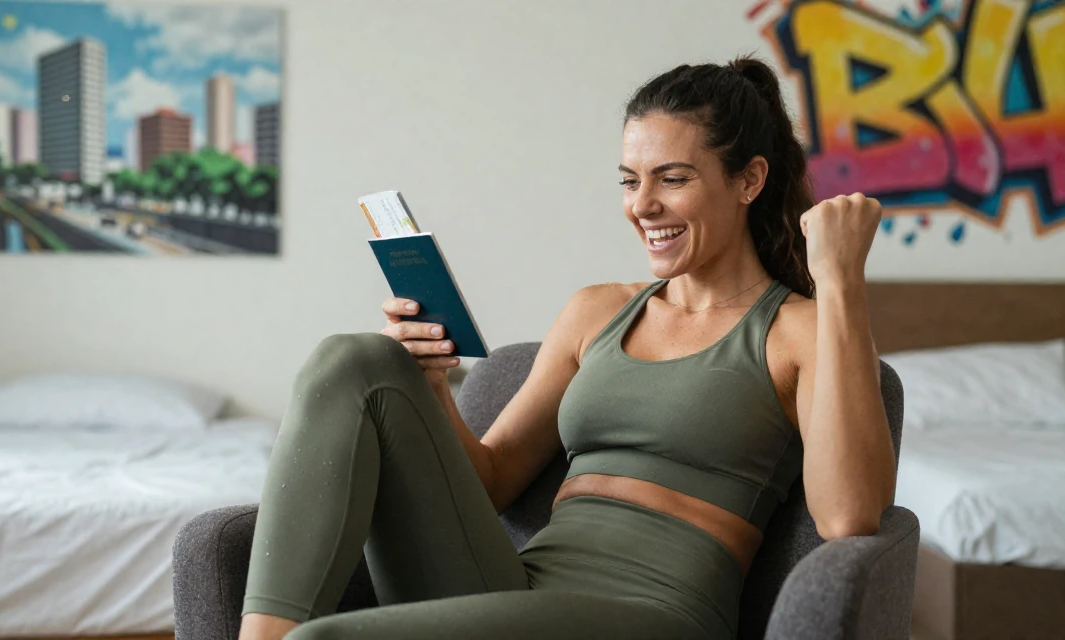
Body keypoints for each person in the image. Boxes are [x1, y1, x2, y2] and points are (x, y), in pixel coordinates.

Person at [237, 55, 895, 640]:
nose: (643, 206)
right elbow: (492, 480)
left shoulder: (799, 328)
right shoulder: (597, 310)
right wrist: (431, 383)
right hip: (516, 594)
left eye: (671, 179)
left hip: (653, 611)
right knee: (357, 360)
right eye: (628, 181)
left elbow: (848, 516)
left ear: (749, 180)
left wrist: (840, 279)